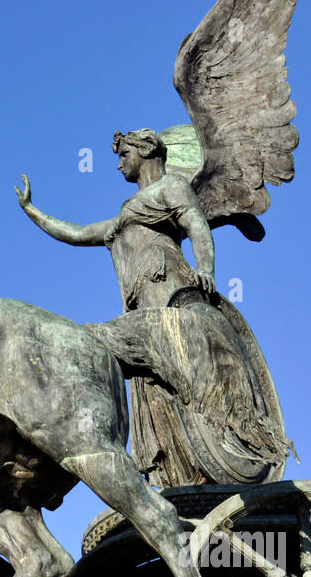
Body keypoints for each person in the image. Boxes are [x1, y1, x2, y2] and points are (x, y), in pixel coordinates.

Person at [16, 129, 289, 487]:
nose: (118, 165)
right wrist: (33, 210)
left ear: (145, 151)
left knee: (95, 340)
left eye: (123, 155)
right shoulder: (122, 216)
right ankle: (182, 471)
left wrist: (205, 267)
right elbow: (79, 233)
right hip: (142, 308)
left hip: (169, 297)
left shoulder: (171, 188)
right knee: (151, 381)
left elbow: (196, 225)